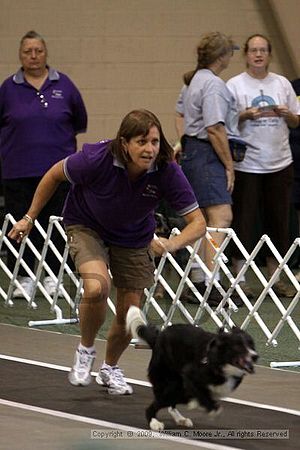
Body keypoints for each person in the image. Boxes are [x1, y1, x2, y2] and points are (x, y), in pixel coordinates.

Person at [8, 109, 206, 395]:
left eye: (154, 141)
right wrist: (29, 217)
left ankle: (110, 367)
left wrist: (169, 244)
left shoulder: (166, 170)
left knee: (130, 311)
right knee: (97, 286)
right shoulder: (95, 159)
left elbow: (198, 223)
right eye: (142, 142)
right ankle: (85, 350)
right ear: (124, 143)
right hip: (87, 224)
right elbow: (53, 175)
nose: (150, 149)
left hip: (134, 235)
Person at [0, 30, 87, 297]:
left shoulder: (66, 86)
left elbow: (80, 122)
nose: (34, 56)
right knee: (19, 223)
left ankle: (53, 277)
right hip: (17, 172)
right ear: (20, 55)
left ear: (46, 53)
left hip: (58, 173)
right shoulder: (8, 89)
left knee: (56, 224)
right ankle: (22, 278)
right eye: (28, 51)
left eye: (38, 50)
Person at [227, 34, 300, 297]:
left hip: (280, 163)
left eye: (263, 50)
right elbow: (225, 122)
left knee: (279, 222)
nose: (258, 54)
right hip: (247, 164)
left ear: (269, 55)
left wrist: (288, 114)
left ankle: (276, 277)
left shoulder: (282, 84)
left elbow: (296, 121)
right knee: (243, 222)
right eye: (253, 50)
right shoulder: (234, 85)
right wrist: (245, 114)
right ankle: (240, 278)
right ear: (246, 54)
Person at [175, 31, 243, 306]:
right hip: (207, 155)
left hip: (193, 153)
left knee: (201, 219)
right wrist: (229, 166)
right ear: (222, 56)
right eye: (230, 52)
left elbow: (182, 115)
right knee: (221, 218)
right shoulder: (213, 84)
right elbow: (215, 128)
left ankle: (197, 277)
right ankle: (208, 280)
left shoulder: (194, 81)